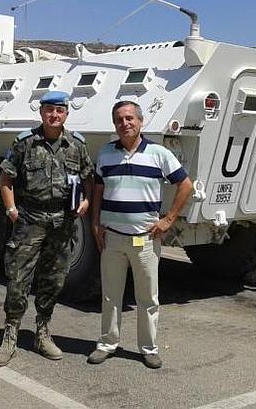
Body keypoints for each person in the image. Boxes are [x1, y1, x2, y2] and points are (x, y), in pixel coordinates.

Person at [0, 90, 94, 367]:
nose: (54, 115)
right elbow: (5, 178)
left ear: (66, 114)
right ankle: (10, 333)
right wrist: (11, 209)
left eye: (59, 111)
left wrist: (85, 202)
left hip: (62, 222)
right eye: (49, 110)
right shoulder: (25, 143)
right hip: (30, 219)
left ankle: (43, 332)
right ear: (41, 113)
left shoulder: (77, 145)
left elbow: (88, 179)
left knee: (54, 279)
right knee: (17, 278)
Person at [87, 100, 193, 369]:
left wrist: (168, 219)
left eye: (130, 118)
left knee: (147, 298)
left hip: (144, 240)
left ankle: (148, 348)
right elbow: (98, 190)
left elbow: (185, 184)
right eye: (120, 119)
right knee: (111, 295)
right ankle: (107, 344)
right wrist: (96, 223)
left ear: (140, 121)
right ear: (115, 124)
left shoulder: (159, 154)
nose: (125, 123)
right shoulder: (106, 154)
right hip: (112, 237)